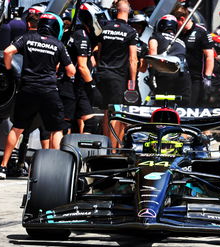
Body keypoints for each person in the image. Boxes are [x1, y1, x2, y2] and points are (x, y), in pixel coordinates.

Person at [0, 12, 76, 179]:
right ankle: (54, 170)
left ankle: (2, 167)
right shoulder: (58, 44)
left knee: (17, 128)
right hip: (49, 91)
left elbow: (7, 52)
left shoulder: (27, 38)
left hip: (27, 89)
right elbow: (71, 71)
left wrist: (9, 70)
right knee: (56, 129)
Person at [95, 0, 138, 147]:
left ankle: (106, 146)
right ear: (128, 11)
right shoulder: (131, 31)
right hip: (118, 77)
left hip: (102, 74)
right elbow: (133, 59)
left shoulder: (105, 28)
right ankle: (112, 150)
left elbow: (99, 52)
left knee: (107, 111)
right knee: (117, 113)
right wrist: (132, 82)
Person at [63, 2, 102, 134]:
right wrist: (92, 86)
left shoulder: (78, 33)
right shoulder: (82, 36)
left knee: (85, 123)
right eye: (98, 17)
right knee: (66, 124)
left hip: (76, 86)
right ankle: (62, 153)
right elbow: (82, 66)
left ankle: (80, 153)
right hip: (74, 85)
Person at [171, 4, 214, 106]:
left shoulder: (201, 31)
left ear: (182, 19)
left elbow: (209, 56)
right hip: (179, 77)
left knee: (190, 107)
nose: (175, 25)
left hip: (196, 79)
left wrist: (208, 77)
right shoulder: (177, 32)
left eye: (176, 23)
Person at [148, 14, 191, 106]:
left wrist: (152, 74)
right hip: (184, 74)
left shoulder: (156, 36)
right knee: (182, 107)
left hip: (166, 72)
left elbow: (152, 52)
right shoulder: (181, 41)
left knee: (161, 103)